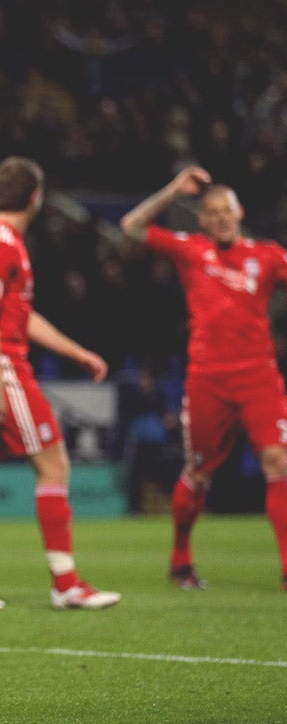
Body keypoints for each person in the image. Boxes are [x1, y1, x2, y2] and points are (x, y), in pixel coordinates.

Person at [0, 156, 121, 612]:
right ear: (36, 197)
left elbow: (12, 314)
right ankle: (66, 582)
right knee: (54, 463)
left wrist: (74, 352)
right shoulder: (3, 245)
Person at [120, 165, 287, 590]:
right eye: (211, 212)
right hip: (208, 380)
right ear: (203, 219)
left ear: (239, 211)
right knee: (197, 473)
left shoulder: (267, 256)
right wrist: (174, 189)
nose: (220, 218)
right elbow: (132, 226)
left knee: (278, 462)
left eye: (225, 210)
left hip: (258, 378)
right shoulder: (191, 250)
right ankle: (181, 560)